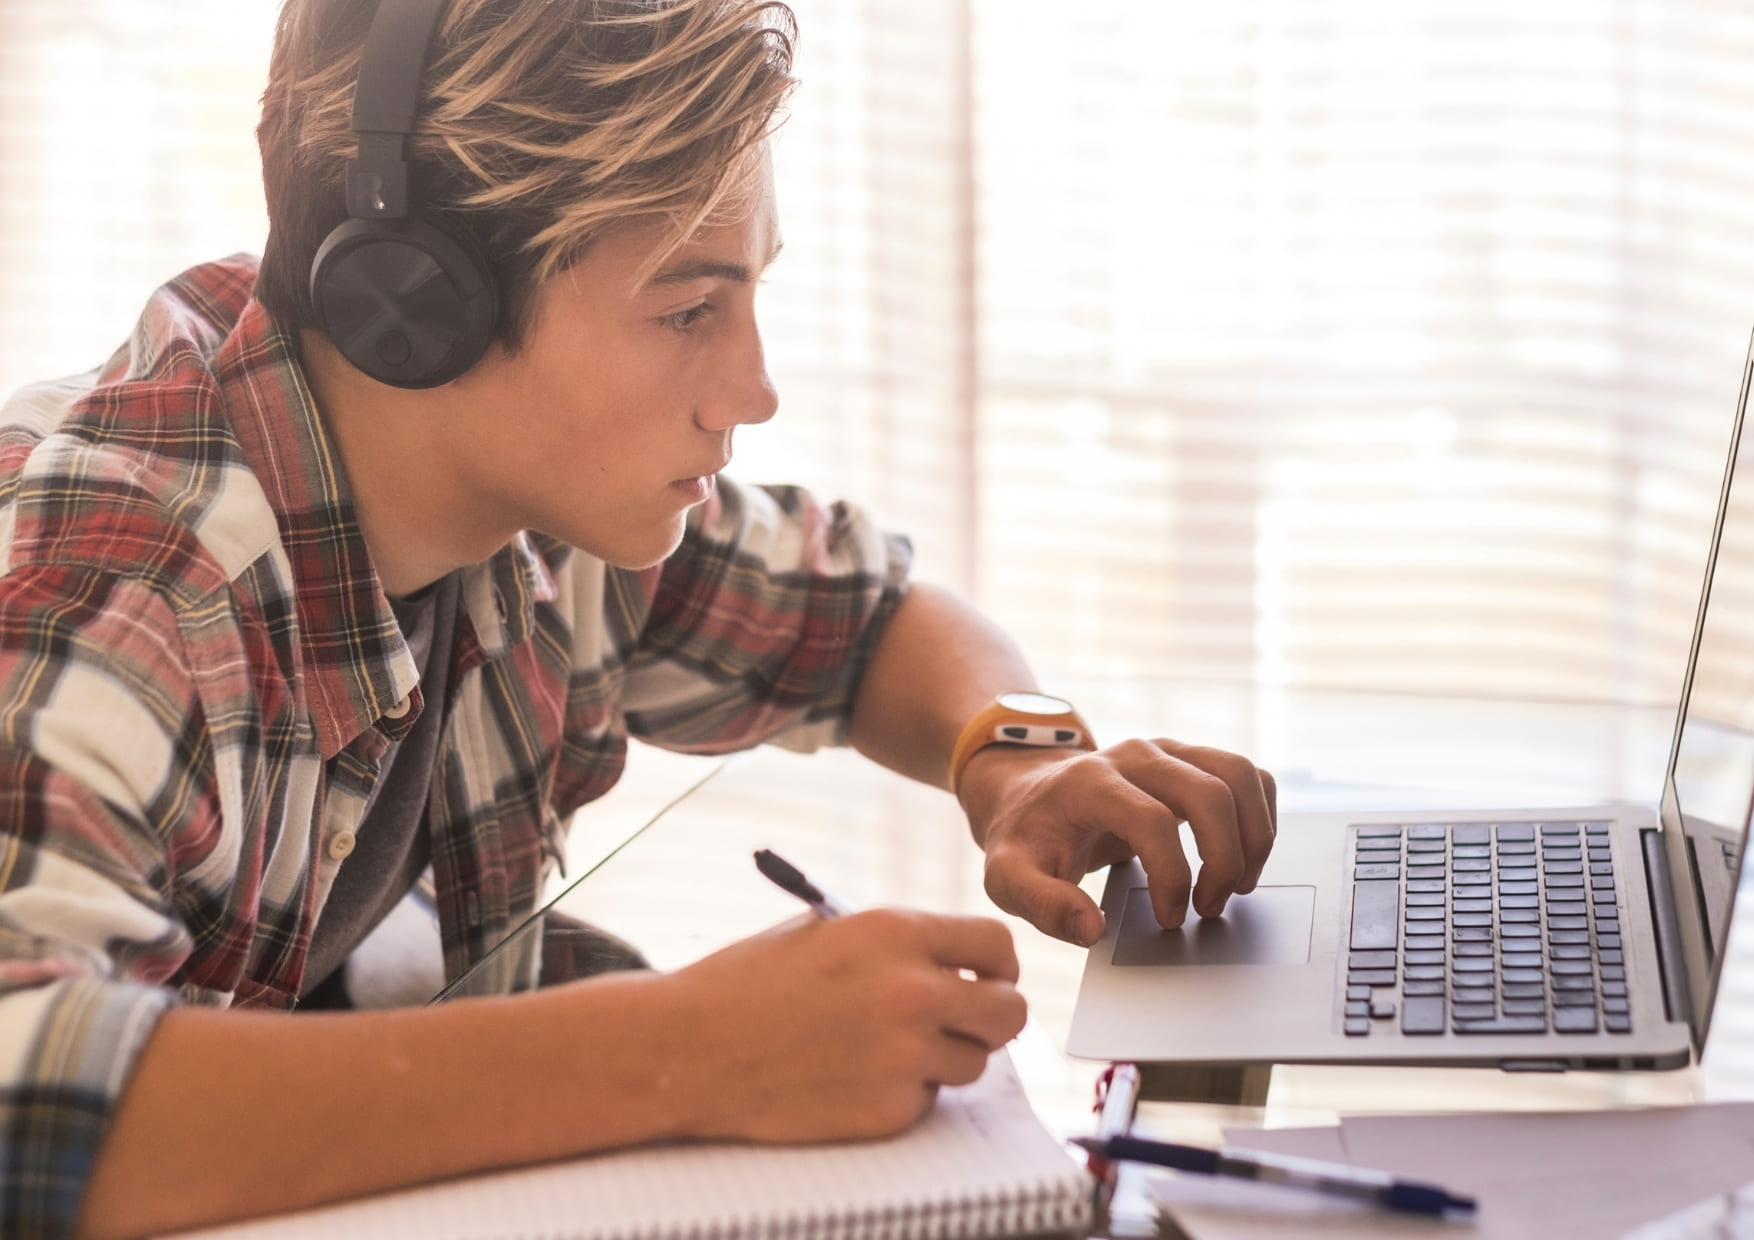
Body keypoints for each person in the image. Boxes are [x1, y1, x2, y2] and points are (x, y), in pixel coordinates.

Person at [0, 1, 1276, 1236]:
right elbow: (20, 1101)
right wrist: (690, 1053)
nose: (752, 390)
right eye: (686, 312)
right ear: (413, 309)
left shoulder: (528, 497)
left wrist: (1019, 759)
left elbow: (864, 618)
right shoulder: (129, 587)